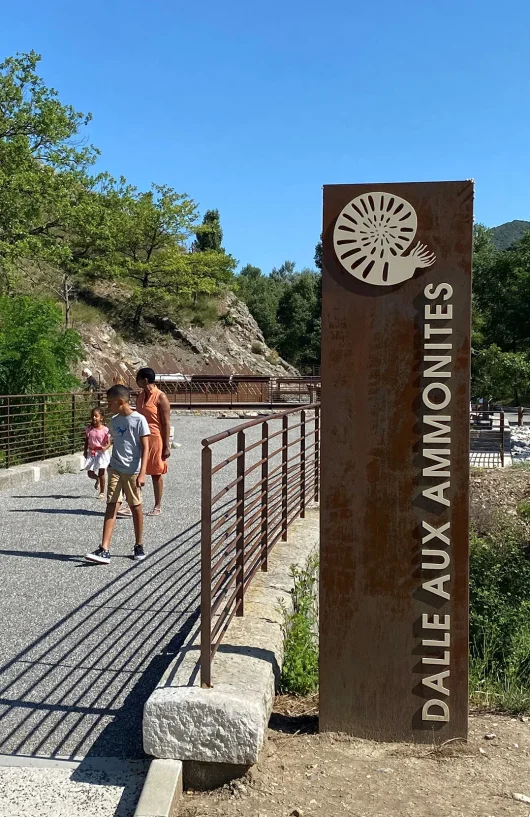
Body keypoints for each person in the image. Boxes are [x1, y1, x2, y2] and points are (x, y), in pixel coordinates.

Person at [85, 384, 150, 565]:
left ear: (120, 401)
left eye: (110, 403)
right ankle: (104, 548)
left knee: (135, 506)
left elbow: (146, 447)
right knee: (111, 505)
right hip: (115, 467)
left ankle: (139, 544)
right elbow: (114, 442)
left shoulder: (139, 420)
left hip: (132, 470)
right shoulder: (113, 421)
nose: (108, 406)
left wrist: (143, 472)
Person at [134, 367, 171, 516]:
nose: (136, 381)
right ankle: (135, 503)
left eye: (138, 378)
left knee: (156, 472)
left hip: (155, 438)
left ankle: (157, 505)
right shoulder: (140, 396)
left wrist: (166, 445)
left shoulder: (161, 397)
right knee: (136, 470)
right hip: (140, 437)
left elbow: (166, 423)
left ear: (145, 380)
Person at [82, 408, 111, 499]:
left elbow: (109, 442)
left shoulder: (105, 430)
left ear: (101, 418)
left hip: (101, 453)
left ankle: (102, 492)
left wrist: (105, 448)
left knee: (102, 471)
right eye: (92, 416)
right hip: (92, 452)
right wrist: (85, 450)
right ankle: (97, 479)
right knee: (90, 472)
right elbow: (87, 440)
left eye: (96, 416)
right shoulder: (89, 429)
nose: (94, 418)